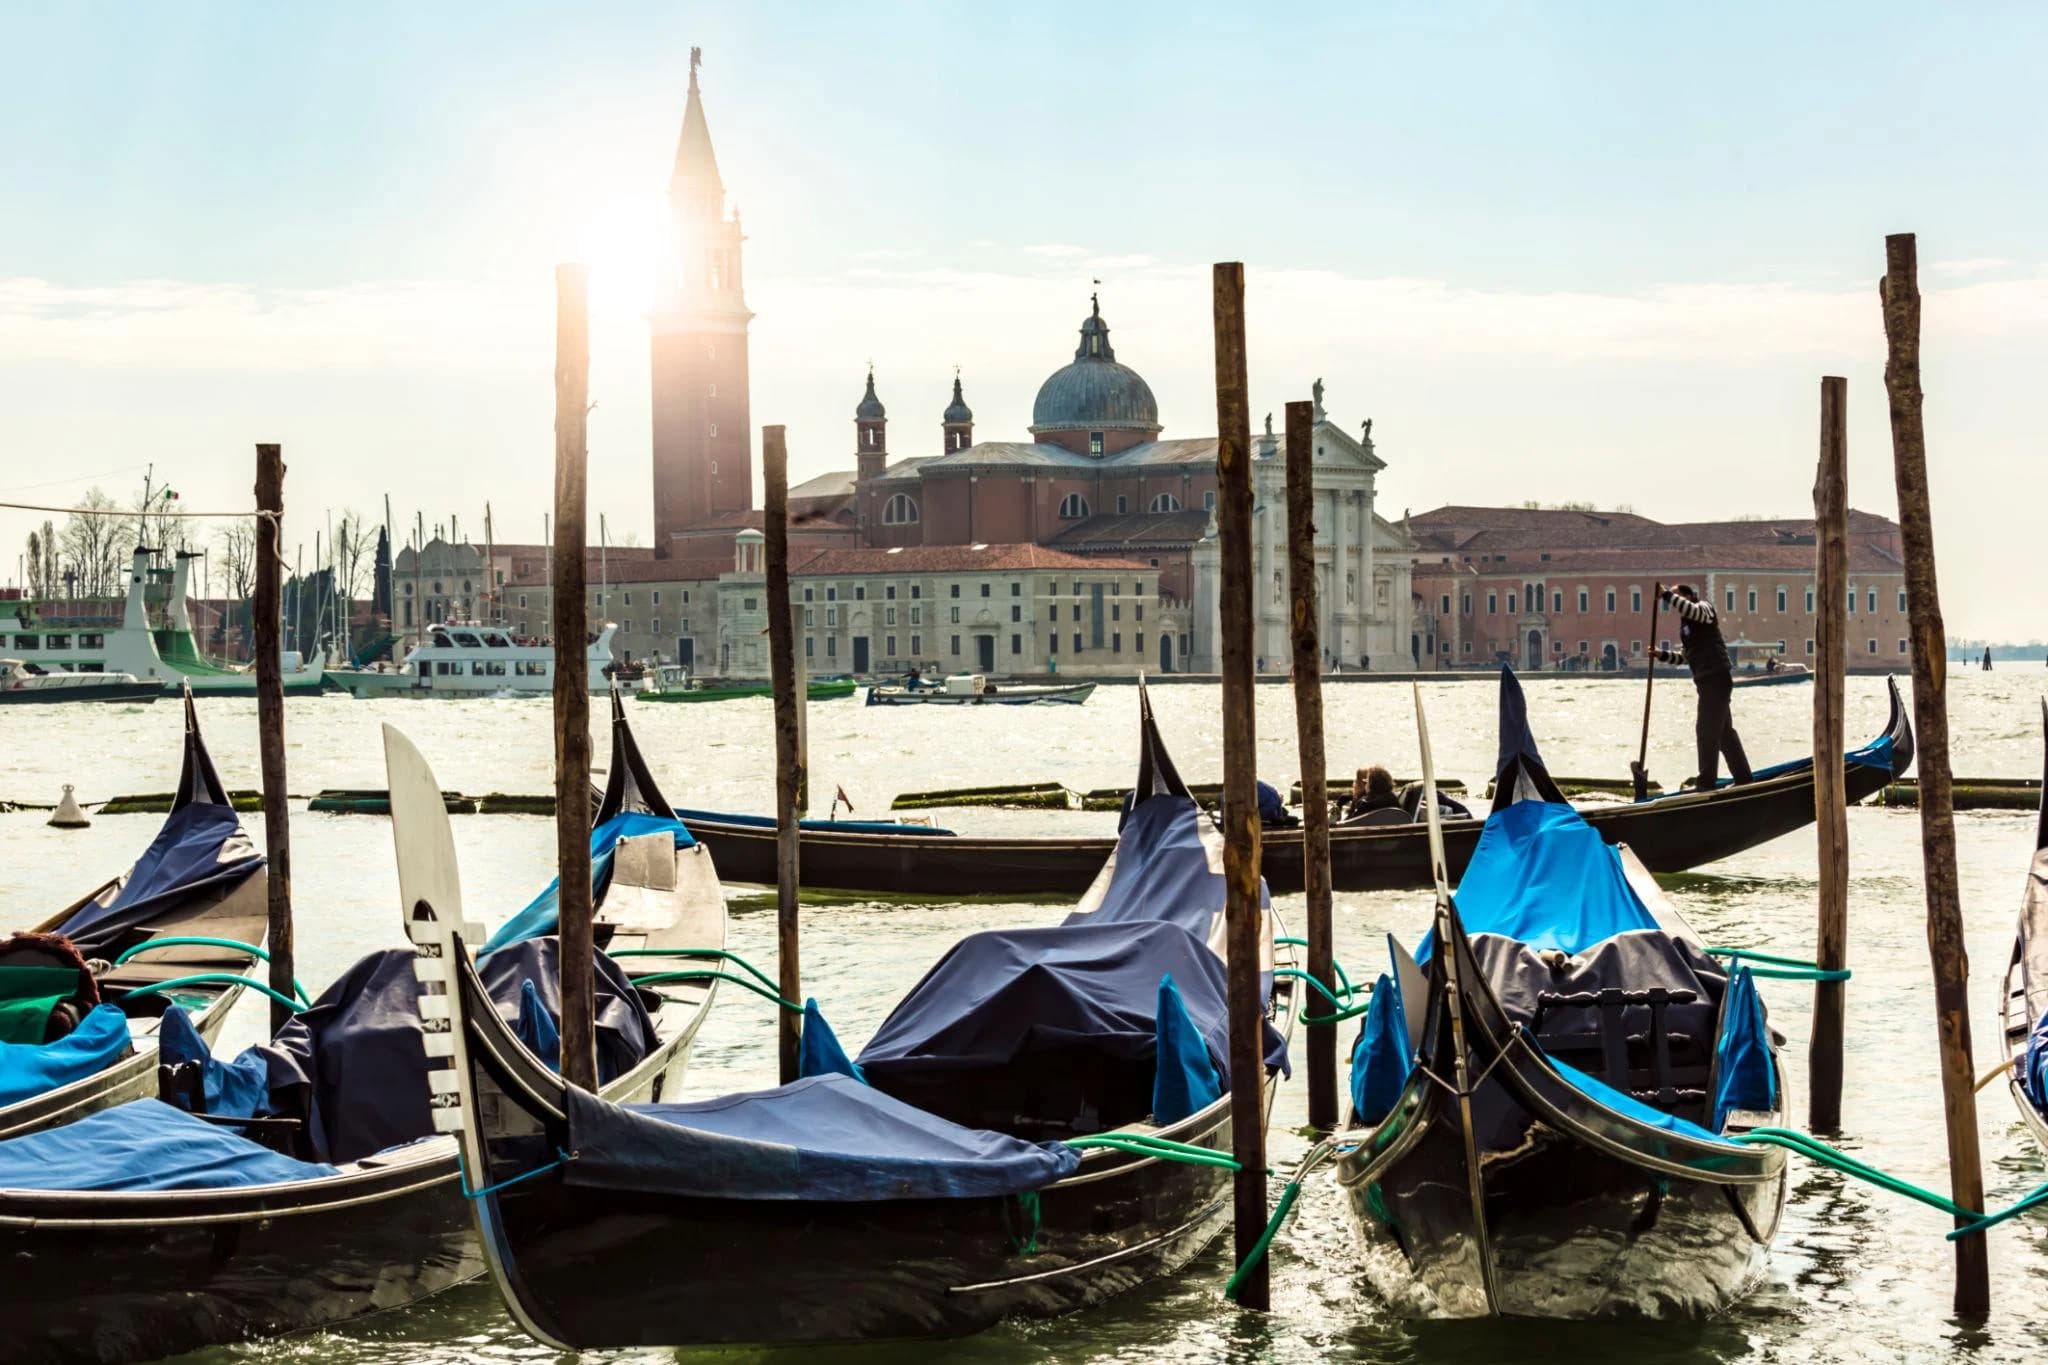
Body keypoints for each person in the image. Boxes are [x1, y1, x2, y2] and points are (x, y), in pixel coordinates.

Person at [1654, 584, 1753, 789]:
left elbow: (1693, 611)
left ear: (1689, 595)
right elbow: (1686, 657)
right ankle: (1743, 778)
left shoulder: (1704, 608)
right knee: (1724, 733)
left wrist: (1665, 594)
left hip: (1716, 677)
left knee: (1706, 730)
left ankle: (1706, 782)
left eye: (1677, 596)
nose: (1675, 601)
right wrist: (1661, 655)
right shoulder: (1686, 628)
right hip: (1707, 681)